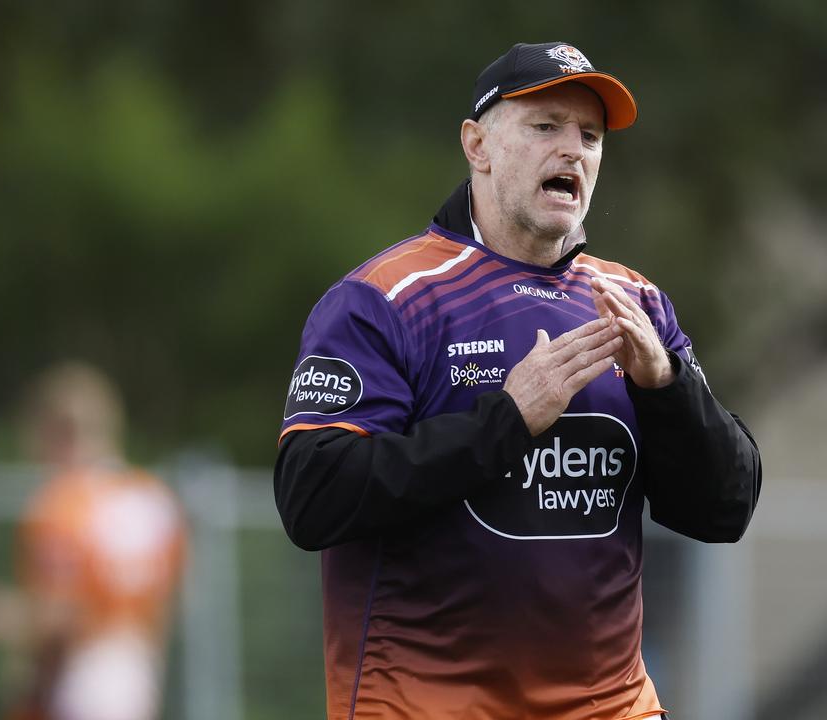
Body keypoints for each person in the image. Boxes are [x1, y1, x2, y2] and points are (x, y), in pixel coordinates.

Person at [274, 41, 761, 720]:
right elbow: (313, 496)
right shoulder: (385, 298)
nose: (573, 150)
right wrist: (506, 420)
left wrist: (667, 387)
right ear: (478, 145)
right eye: (545, 127)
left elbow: (724, 508)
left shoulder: (636, 302)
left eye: (589, 136)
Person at [0, 362, 186, 720]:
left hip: (76, 684)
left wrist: (6, 616)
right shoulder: (155, 501)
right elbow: (171, 603)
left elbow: (61, 617)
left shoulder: (63, 505)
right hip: (136, 677)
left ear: (59, 432)